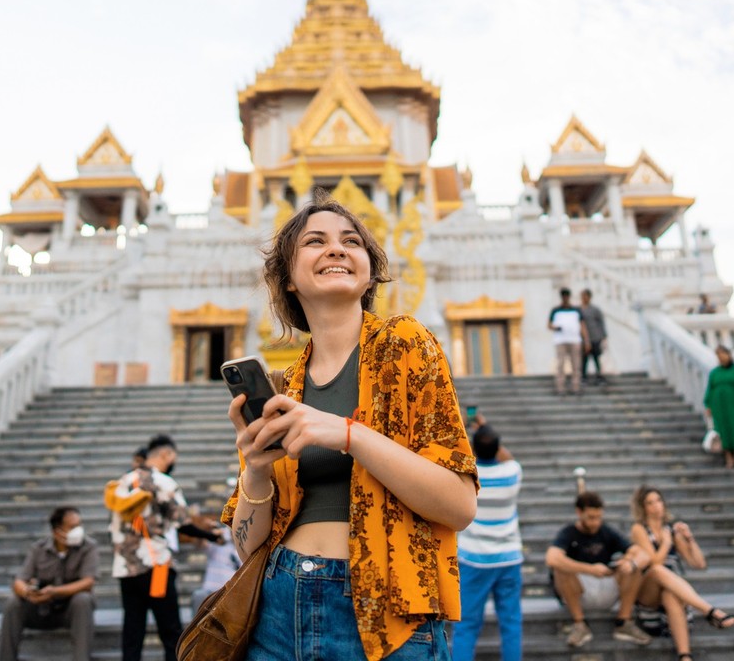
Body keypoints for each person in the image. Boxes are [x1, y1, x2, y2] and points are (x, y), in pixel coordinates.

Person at [222, 193, 477, 661]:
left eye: (351, 241)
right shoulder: (284, 388)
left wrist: (347, 434)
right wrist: (255, 471)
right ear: (290, 279)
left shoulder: (406, 344)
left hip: (388, 612)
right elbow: (247, 548)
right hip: (280, 608)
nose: (336, 249)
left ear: (369, 271)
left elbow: (459, 506)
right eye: (315, 242)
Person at [110, 435, 219, 661]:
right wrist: (212, 535)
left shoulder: (123, 482)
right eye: (172, 458)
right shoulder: (164, 482)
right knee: (170, 631)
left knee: (133, 631)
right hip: (156, 565)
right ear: (165, 455)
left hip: (126, 566)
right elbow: (183, 524)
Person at [629, 487, 734, 661]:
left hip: (671, 591)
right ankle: (709, 610)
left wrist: (689, 539)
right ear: (643, 508)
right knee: (658, 570)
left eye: (658, 500)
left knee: (670, 594)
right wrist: (666, 543)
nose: (656, 506)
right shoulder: (639, 529)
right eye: (650, 503)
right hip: (648, 591)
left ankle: (685, 656)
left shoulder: (672, 531)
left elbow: (699, 564)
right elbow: (654, 563)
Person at [452, 418, 523, 661]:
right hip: (509, 558)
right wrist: (485, 430)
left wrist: (474, 438)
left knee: (467, 625)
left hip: (474, 559)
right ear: (497, 446)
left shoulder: (468, 474)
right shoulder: (512, 473)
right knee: (511, 624)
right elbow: (508, 457)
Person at [544, 491, 652, 648]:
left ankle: (624, 622)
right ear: (579, 513)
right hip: (578, 591)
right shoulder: (568, 533)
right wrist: (590, 569)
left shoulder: (607, 531)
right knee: (560, 568)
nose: (596, 522)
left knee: (633, 567)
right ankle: (579, 625)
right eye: (591, 518)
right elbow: (551, 558)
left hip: (607, 587)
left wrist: (629, 562)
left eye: (599, 517)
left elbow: (643, 555)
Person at [0, 506, 98, 661]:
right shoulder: (38, 549)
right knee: (13, 603)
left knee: (83, 600)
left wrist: (55, 591)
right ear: (57, 531)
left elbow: (88, 582)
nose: (78, 530)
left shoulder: (88, 547)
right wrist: (29, 593)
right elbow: (19, 581)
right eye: (72, 527)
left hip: (70, 611)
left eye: (80, 525)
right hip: (41, 608)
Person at [548, 288, 590, 395]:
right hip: (560, 340)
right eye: (564, 296)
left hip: (574, 339)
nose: (565, 298)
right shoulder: (555, 310)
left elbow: (582, 326)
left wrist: (586, 340)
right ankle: (560, 387)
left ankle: (575, 386)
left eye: (567, 296)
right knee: (560, 364)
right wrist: (556, 327)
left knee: (576, 364)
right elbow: (549, 324)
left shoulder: (576, 310)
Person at [579, 289, 607, 386]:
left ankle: (600, 377)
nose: (583, 298)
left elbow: (601, 323)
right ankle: (583, 377)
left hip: (595, 337)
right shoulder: (579, 309)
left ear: (589, 297)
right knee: (584, 359)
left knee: (596, 358)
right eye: (582, 296)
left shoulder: (595, 309)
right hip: (582, 339)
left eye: (585, 296)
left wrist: (603, 336)